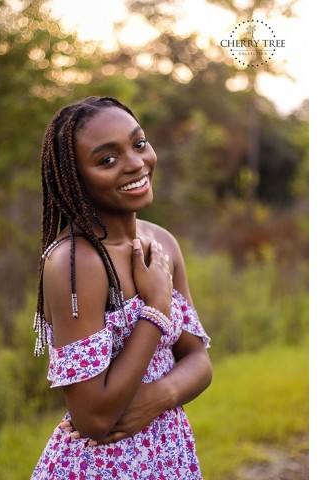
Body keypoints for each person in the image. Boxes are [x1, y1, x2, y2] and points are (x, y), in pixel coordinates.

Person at [31, 96, 213, 479]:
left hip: (168, 454)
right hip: (103, 464)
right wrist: (156, 307)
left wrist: (156, 399)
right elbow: (95, 418)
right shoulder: (75, 263)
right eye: (107, 160)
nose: (135, 163)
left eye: (139, 143)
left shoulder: (161, 242)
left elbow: (198, 361)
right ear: (74, 178)